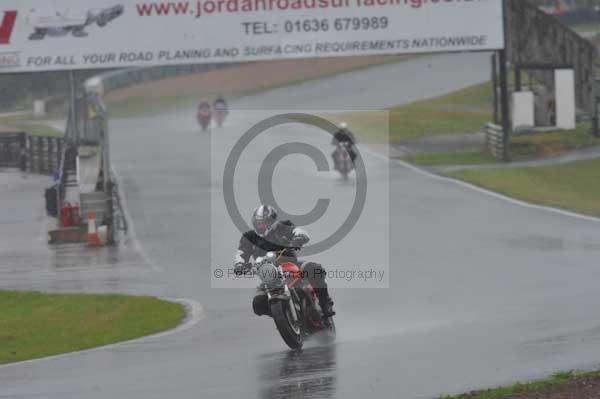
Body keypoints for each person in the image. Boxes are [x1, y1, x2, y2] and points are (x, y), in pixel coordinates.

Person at [233, 204, 335, 319]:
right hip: (269, 276)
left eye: (264, 222)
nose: (261, 225)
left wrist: (298, 238)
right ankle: (285, 316)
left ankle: (325, 303)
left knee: (315, 269)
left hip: (290, 265)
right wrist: (239, 265)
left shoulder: (282, 226)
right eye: (258, 222)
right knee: (258, 303)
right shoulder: (249, 237)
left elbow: (299, 231)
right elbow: (241, 252)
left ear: (272, 220)